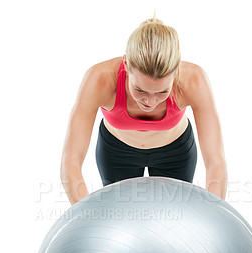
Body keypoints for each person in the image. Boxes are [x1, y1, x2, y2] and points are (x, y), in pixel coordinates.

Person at [60, 14, 227, 205]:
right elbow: (70, 160)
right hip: (117, 151)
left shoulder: (194, 81)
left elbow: (216, 162)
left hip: (175, 152)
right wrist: (85, 215)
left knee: (174, 217)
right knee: (120, 215)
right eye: (139, 90)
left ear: (176, 73)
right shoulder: (99, 79)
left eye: (162, 91)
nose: (150, 101)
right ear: (126, 64)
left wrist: (215, 213)